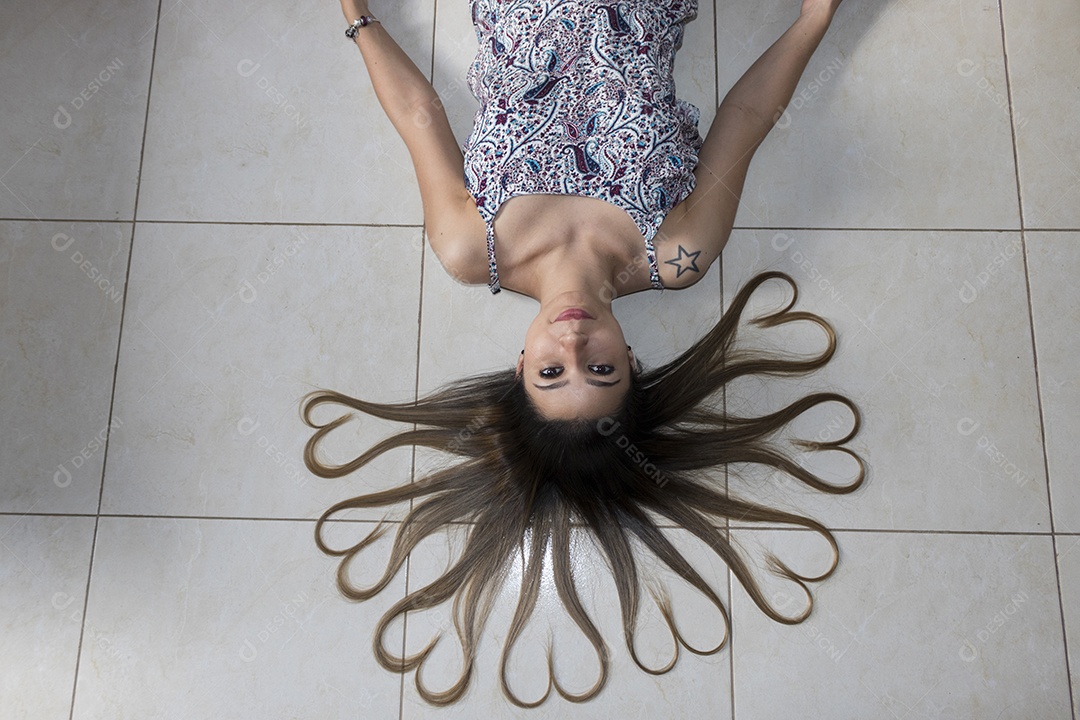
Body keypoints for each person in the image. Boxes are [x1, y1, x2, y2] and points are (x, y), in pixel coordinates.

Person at [303, 0, 861, 706]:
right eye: (599, 369)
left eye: (550, 371)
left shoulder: (471, 247)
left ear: (520, 364)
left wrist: (356, 14)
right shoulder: (677, 254)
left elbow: (420, 117)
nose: (572, 341)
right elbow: (745, 118)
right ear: (632, 360)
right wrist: (817, 15)